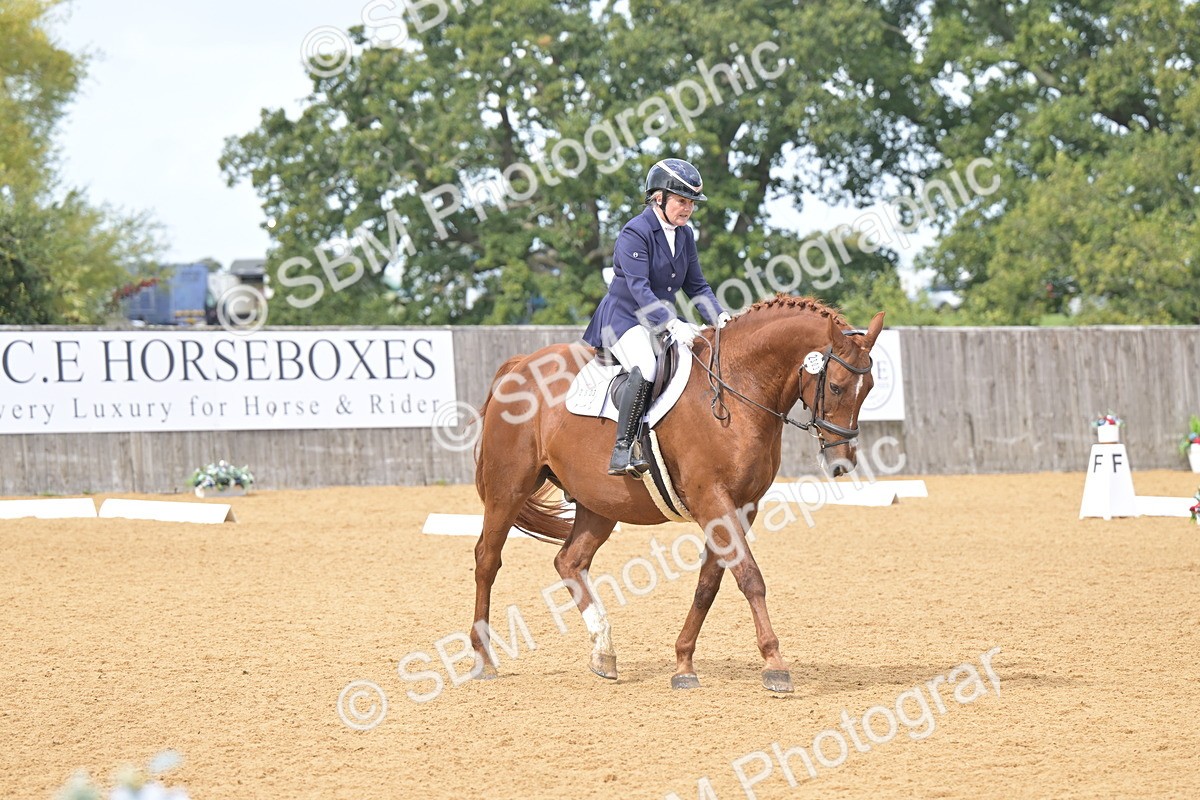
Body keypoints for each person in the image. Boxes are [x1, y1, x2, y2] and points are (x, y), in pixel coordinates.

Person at [582, 158, 732, 476]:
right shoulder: (635, 232)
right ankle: (622, 449)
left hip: (657, 319)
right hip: (622, 319)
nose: (688, 208)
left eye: (691, 202)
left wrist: (720, 318)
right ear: (659, 198)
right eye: (681, 200)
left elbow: (697, 286)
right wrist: (671, 322)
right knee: (648, 365)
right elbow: (639, 288)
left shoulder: (685, 235)